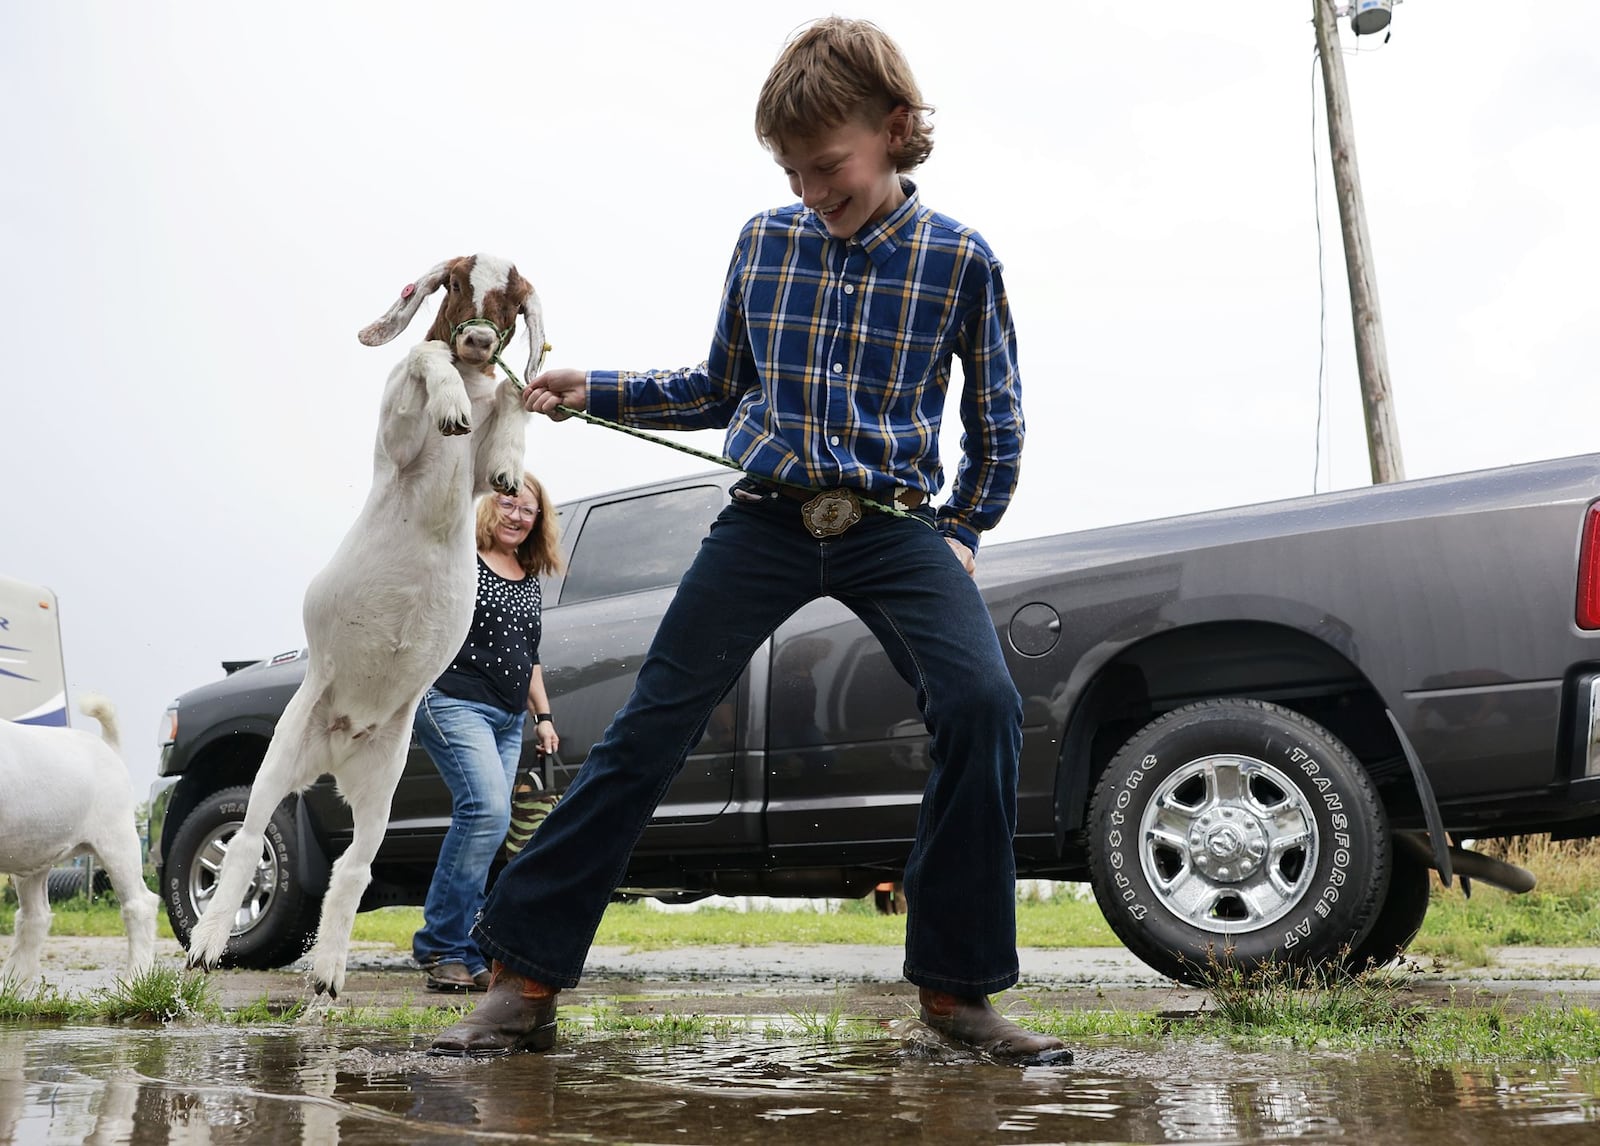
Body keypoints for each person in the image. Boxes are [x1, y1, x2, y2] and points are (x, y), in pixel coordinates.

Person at [431, 16, 1069, 1065]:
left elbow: (994, 421)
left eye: (829, 167)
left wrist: (964, 529)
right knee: (650, 726)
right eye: (791, 171)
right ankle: (525, 979)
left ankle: (959, 999)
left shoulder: (962, 260)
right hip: (766, 522)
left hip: (894, 528)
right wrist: (596, 388)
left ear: (896, 129)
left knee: (982, 706)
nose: (811, 191)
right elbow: (718, 384)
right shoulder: (765, 243)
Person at [410, 472, 562, 992]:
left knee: (492, 827)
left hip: (505, 718)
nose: (517, 516)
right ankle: (442, 946)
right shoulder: (462, 560)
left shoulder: (527, 577)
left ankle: (468, 952)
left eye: (528, 510)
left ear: (538, 521)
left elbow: (529, 655)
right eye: (508, 503)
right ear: (487, 506)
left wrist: (543, 717)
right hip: (453, 701)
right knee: (487, 812)